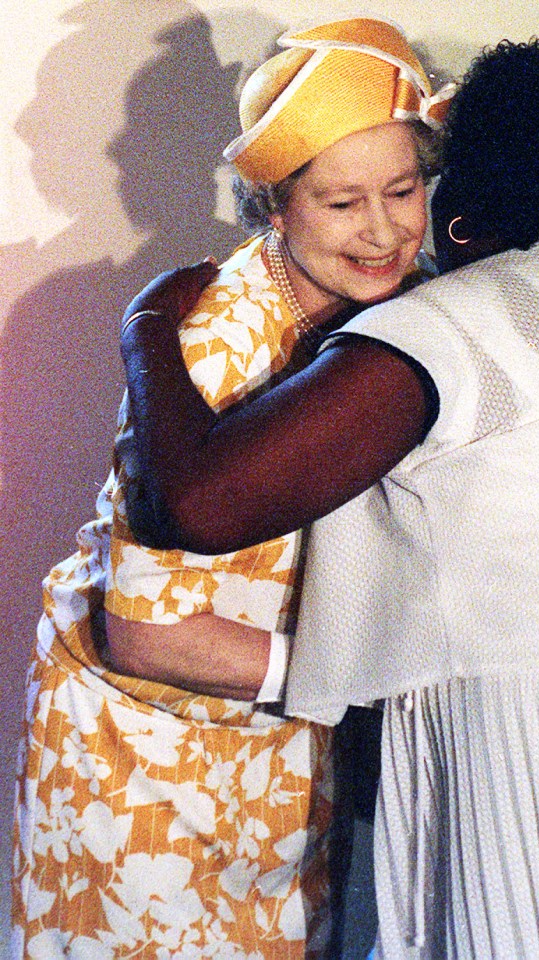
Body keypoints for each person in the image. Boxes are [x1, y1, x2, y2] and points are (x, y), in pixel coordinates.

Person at [116, 36, 539, 959]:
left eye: (408, 189)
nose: (397, 222)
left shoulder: (448, 326)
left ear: (469, 178)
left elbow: (198, 501)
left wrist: (146, 324)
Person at [12, 16, 452, 959]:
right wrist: (364, 681)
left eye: (403, 190)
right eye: (341, 204)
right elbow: (146, 629)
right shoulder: (213, 346)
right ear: (274, 207)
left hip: (274, 760)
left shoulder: (406, 308)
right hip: (134, 778)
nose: (382, 231)